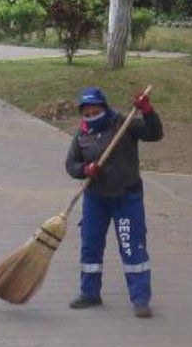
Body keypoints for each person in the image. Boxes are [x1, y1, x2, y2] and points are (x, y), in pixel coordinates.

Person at [65, 87, 164, 318]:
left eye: (95, 110)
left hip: (126, 196)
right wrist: (85, 169)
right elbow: (71, 165)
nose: (91, 115)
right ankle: (89, 294)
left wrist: (148, 111)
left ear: (104, 107)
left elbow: (154, 133)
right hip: (95, 198)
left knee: (131, 247)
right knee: (90, 245)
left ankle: (140, 299)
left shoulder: (123, 124)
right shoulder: (82, 134)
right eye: (87, 113)